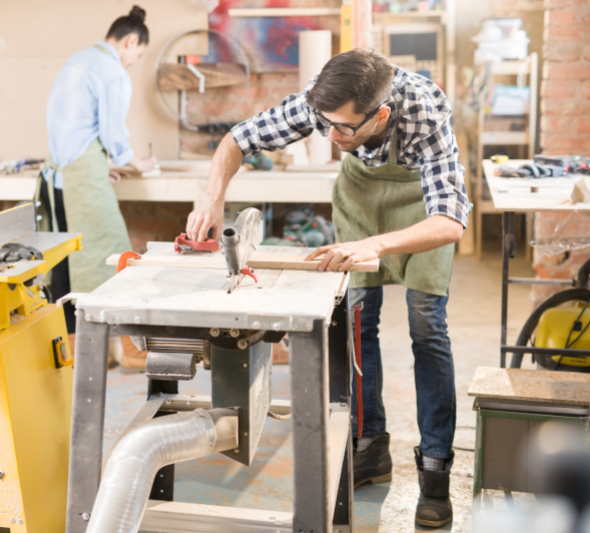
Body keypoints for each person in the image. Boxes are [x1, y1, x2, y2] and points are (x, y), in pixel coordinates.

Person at [186, 48, 471, 528]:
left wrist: (377, 246)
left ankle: (435, 471)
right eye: (325, 124)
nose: (331, 136)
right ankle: (370, 447)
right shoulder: (322, 108)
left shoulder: (425, 110)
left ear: (380, 115)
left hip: (423, 216)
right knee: (358, 322)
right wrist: (212, 198)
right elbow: (237, 139)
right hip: (361, 203)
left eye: (344, 129)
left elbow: (450, 220)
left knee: (427, 327)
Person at [37, 6, 157, 361]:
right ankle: (129, 350)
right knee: (112, 254)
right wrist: (136, 162)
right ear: (130, 40)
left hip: (57, 173)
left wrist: (95, 167)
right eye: (139, 53)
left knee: (62, 261)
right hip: (80, 173)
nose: (134, 61)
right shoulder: (111, 70)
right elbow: (113, 134)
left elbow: (69, 126)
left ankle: (77, 353)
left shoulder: (77, 60)